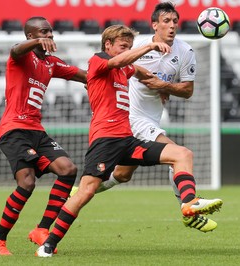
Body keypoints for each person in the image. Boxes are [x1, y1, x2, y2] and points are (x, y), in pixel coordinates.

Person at [35, 24, 222, 257]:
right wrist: (151, 46)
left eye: (129, 47)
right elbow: (119, 63)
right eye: (123, 47)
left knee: (182, 154)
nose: (126, 51)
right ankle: (48, 243)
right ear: (108, 45)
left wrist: (160, 87)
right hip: (105, 141)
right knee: (86, 192)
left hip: (128, 141)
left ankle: (189, 203)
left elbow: (138, 71)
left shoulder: (125, 69)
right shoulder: (98, 61)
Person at [85, 2, 218, 232]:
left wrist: (164, 86)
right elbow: (115, 67)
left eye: (175, 21)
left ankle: (80, 191)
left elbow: (187, 91)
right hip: (132, 116)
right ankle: (189, 207)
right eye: (166, 21)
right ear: (154, 25)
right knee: (178, 155)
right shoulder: (137, 46)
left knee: (123, 175)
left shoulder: (185, 52)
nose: (172, 26)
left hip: (153, 116)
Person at [0, 16, 87, 256]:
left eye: (50, 32)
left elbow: (84, 75)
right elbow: (15, 49)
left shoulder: (51, 63)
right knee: (27, 182)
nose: (49, 36)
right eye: (43, 32)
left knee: (68, 169)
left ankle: (41, 230)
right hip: (14, 130)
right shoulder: (20, 58)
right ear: (31, 36)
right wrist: (35, 43)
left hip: (37, 131)